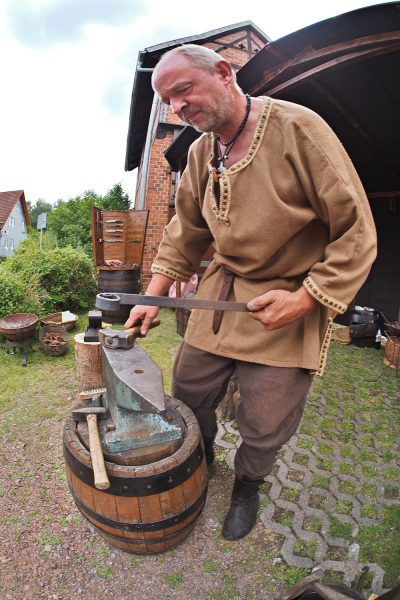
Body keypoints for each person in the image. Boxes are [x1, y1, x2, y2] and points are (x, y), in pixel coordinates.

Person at [125, 44, 377, 541]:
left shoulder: (298, 129)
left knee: (265, 415)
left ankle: (248, 484)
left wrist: (307, 299)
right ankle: (201, 457)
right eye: (168, 103)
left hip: (288, 301)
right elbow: (186, 232)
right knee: (190, 391)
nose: (178, 108)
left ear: (224, 73)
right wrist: (150, 296)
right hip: (221, 298)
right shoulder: (201, 152)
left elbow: (357, 231)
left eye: (183, 91)